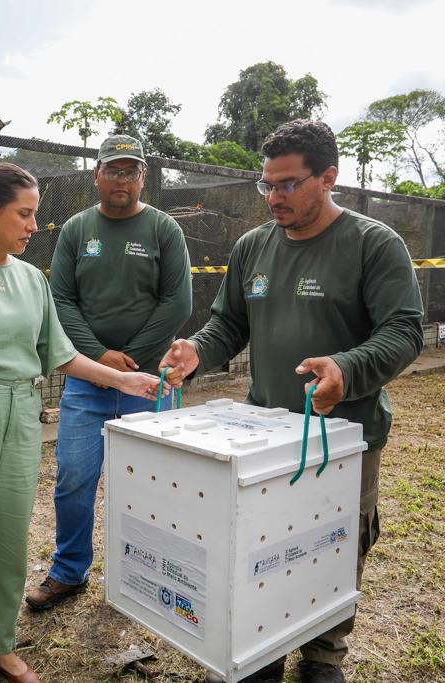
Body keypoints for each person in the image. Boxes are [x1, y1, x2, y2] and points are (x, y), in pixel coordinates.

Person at [160, 120, 424, 683]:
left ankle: (324, 655)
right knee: (264, 547)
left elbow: (403, 331)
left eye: (287, 184)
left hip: (346, 435)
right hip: (263, 435)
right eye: (266, 185)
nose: (273, 197)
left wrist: (346, 368)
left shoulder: (373, 244)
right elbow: (228, 324)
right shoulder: (253, 246)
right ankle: (259, 646)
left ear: (328, 177)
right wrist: (197, 354)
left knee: (335, 542)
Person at [0, 162, 166, 683]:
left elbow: (60, 354)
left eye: (35, 216)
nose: (33, 226)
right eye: (24, 215)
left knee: (10, 547)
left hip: (21, 420)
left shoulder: (29, 279)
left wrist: (125, 382)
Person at [26, 135, 192, 611]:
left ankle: (150, 575)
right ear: (96, 175)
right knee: (74, 478)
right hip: (86, 381)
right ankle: (68, 571)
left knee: (153, 483)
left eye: (131, 171)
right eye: (113, 170)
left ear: (143, 177)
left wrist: (133, 358)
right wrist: (99, 357)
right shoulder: (77, 230)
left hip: (149, 383)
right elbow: (61, 300)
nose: (122, 179)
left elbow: (177, 302)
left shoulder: (163, 229)